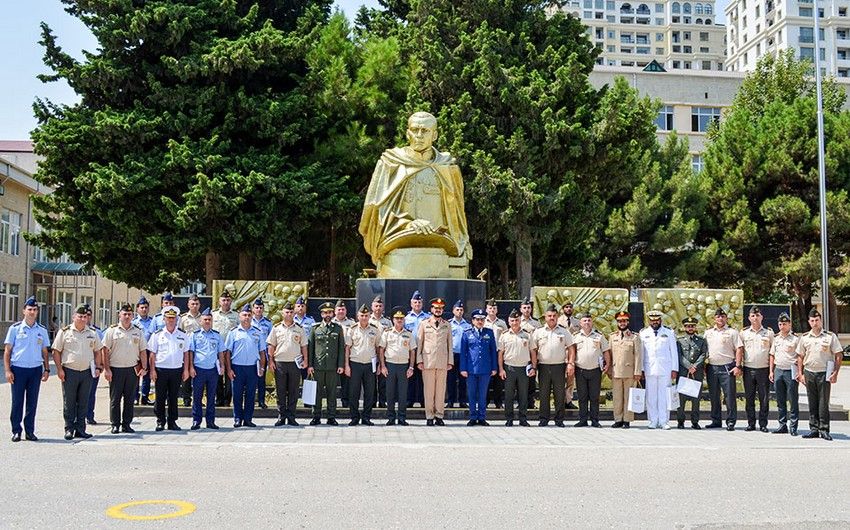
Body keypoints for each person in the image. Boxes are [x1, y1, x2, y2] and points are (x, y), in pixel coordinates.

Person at [358, 111, 472, 278]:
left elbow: (457, 218)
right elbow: (377, 212)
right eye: (414, 130)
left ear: (435, 135)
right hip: (398, 253)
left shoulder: (447, 167)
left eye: (424, 131)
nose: (419, 135)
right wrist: (406, 223)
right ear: (407, 132)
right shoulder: (390, 164)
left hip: (441, 252)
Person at [52, 304, 103, 440]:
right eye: (80, 316)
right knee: (69, 402)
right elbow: (56, 351)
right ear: (74, 317)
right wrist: (59, 369)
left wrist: (98, 367)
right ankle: (69, 428)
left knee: (83, 401)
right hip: (70, 371)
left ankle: (81, 429)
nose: (82, 319)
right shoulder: (65, 332)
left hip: (86, 372)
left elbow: (98, 352)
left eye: (85, 317)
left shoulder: (92, 333)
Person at [4, 296, 50, 442]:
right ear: (24, 311)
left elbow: (44, 351)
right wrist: (7, 370)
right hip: (18, 369)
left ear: (37, 312)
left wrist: (47, 369)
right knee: (17, 402)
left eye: (35, 310)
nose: (32, 312)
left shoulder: (41, 330)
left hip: (35, 370)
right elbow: (7, 351)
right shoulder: (15, 328)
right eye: (29, 309)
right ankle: (16, 430)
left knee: (32, 402)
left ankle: (30, 431)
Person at [796, 308, 843, 441]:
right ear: (809, 322)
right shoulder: (805, 337)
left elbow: (838, 354)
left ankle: (824, 429)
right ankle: (814, 429)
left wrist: (835, 373)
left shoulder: (829, 336)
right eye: (812, 320)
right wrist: (800, 373)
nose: (815, 323)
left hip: (824, 373)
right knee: (812, 402)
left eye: (817, 320)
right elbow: (800, 356)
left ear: (820, 321)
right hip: (809, 372)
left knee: (823, 403)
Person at [102, 303, 148, 434]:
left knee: (129, 399)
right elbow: (105, 351)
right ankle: (115, 424)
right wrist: (107, 369)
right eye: (125, 314)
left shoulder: (137, 331)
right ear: (119, 315)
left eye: (129, 314)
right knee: (115, 399)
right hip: (116, 369)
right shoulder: (112, 331)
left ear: (133, 316)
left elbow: (143, 350)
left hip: (132, 370)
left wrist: (144, 367)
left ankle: (126, 424)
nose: (127, 317)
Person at [531, 303, 575, 427]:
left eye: (554, 316)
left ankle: (559, 419)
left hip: (559, 366)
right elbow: (533, 349)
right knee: (544, 394)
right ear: (545, 317)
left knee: (559, 394)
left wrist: (570, 363)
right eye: (549, 315)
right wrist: (534, 366)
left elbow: (571, 347)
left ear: (557, 316)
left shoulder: (563, 331)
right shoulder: (538, 332)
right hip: (543, 366)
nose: (552, 318)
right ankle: (543, 419)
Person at [148, 307, 190, 431]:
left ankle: (172, 421)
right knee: (160, 397)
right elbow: (152, 354)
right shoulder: (157, 335)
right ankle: (160, 421)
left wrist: (186, 369)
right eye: (169, 318)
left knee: (173, 397)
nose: (171, 320)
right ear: (164, 319)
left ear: (177, 319)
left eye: (173, 318)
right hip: (161, 369)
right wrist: (152, 370)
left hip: (176, 370)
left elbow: (186, 353)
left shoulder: (182, 335)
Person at [224, 304, 266, 428]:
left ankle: (248, 419)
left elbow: (262, 352)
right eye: (244, 315)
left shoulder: (257, 333)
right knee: (237, 394)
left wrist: (262, 368)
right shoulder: (233, 333)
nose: (247, 317)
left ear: (252, 316)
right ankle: (237, 418)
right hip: (237, 367)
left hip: (252, 368)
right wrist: (229, 369)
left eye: (249, 315)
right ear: (239, 316)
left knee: (251, 394)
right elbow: (227, 353)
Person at [268, 302, 309, 427]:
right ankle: (281, 416)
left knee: (293, 391)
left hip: (295, 364)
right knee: (280, 391)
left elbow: (304, 346)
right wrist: (271, 361)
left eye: (291, 312)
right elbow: (271, 345)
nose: (289, 314)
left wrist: (306, 360)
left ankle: (291, 416)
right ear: (282, 313)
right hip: (280, 363)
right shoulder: (276, 328)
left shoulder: (299, 329)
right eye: (287, 312)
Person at [703, 307, 744, 431]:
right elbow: (704, 350)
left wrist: (738, 365)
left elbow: (739, 349)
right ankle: (716, 420)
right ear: (714, 318)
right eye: (718, 317)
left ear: (726, 318)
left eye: (723, 316)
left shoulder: (732, 332)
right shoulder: (708, 332)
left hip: (727, 367)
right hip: (712, 367)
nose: (720, 319)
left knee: (729, 396)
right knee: (714, 396)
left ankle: (731, 421)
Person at [417, 297, 453, 426]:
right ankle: (429, 416)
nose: (438, 310)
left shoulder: (447, 325)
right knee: (429, 391)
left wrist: (450, 361)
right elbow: (419, 343)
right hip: (428, 361)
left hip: (442, 362)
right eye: (436, 308)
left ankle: (439, 415)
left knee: (440, 391)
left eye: (440, 308)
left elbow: (450, 344)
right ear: (431, 309)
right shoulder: (424, 324)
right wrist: (419, 360)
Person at [639, 310, 678, 430]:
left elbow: (674, 351)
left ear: (660, 320)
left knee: (664, 395)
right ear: (649, 320)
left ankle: (664, 421)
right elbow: (641, 353)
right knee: (651, 396)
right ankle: (653, 420)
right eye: (652, 320)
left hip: (665, 368)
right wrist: (641, 369)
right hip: (649, 368)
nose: (654, 322)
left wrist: (674, 368)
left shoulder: (668, 333)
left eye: (657, 319)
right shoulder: (643, 333)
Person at [187, 308, 225, 430]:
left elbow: (220, 352)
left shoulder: (217, 335)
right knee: (197, 396)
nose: (207, 321)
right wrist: (191, 367)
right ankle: (196, 421)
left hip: (212, 370)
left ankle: (210, 421)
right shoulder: (195, 335)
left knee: (211, 397)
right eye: (205, 319)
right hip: (199, 369)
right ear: (200, 321)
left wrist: (222, 366)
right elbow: (191, 352)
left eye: (209, 319)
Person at [308, 302, 345, 425]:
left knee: (332, 393)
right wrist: (310, 365)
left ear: (333, 313)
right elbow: (311, 348)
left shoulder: (338, 329)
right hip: (318, 366)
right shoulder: (315, 329)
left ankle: (331, 417)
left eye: (329, 312)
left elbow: (341, 348)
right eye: (325, 312)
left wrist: (340, 365)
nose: (327, 315)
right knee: (317, 393)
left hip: (332, 366)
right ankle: (316, 416)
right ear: (321, 314)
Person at [572, 313, 610, 427]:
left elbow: (606, 351)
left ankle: (595, 420)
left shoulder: (599, 336)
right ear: (580, 323)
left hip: (595, 370)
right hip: (580, 370)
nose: (587, 322)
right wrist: (571, 364)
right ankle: (582, 419)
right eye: (584, 321)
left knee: (594, 396)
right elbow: (572, 351)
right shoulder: (576, 336)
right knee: (582, 396)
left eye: (589, 320)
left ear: (592, 322)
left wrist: (607, 364)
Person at [379, 306, 416, 425]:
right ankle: (390, 417)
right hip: (390, 365)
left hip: (403, 366)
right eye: (397, 318)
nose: (399, 320)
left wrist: (411, 367)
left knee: (402, 393)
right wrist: (383, 366)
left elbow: (412, 351)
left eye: (401, 318)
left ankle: (402, 417)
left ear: (404, 319)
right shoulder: (387, 333)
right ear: (393, 320)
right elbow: (381, 349)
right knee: (390, 393)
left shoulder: (408, 334)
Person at [460, 309, 498, 426]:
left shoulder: (489, 333)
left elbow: (493, 351)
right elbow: (463, 353)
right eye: (477, 319)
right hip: (471, 369)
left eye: (482, 319)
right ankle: (472, 417)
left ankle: (481, 417)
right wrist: (463, 368)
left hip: (485, 369)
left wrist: (494, 367)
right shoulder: (467, 333)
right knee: (471, 394)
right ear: (473, 321)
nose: (480, 321)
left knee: (482, 395)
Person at [345, 304, 381, 426]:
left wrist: (379, 364)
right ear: (357, 316)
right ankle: (354, 417)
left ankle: (366, 417)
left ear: (369, 316)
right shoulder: (352, 329)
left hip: (370, 364)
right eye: (362, 315)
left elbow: (378, 348)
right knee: (354, 392)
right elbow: (347, 348)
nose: (364, 318)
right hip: (355, 363)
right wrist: (346, 365)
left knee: (369, 392)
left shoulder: (374, 330)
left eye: (366, 315)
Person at [741, 306, 774, 432]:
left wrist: (771, 370)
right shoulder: (744, 333)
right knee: (749, 397)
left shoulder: (769, 333)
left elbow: (772, 353)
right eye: (753, 316)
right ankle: (751, 423)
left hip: (763, 369)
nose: (755, 318)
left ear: (762, 317)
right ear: (749, 318)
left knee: (764, 398)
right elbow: (740, 351)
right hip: (748, 369)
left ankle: (763, 424)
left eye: (758, 315)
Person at [498, 309, 533, 427]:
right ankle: (509, 418)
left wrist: (533, 367)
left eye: (517, 320)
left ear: (520, 321)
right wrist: (501, 369)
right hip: (509, 368)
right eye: (512, 320)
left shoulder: (527, 335)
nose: (514, 322)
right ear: (508, 321)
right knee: (508, 395)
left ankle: (523, 418)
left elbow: (532, 352)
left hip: (523, 368)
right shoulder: (504, 335)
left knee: (523, 395)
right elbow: (500, 354)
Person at [609, 311, 642, 429]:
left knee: (628, 396)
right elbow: (610, 355)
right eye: (619, 321)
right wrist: (608, 370)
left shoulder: (635, 337)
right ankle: (618, 419)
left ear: (628, 322)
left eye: (624, 321)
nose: (622, 323)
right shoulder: (612, 336)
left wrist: (638, 371)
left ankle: (627, 419)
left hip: (630, 371)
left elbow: (638, 355)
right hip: (616, 370)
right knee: (617, 397)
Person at [770, 312, 800, 435]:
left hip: (791, 370)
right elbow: (772, 355)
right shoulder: (776, 338)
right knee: (780, 400)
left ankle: (793, 426)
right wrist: (771, 371)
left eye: (785, 324)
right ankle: (782, 425)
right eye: (780, 324)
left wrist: (799, 371)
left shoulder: (795, 339)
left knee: (793, 399)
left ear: (790, 324)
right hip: (778, 370)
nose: (782, 326)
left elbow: (799, 356)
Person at [676, 316, 707, 429]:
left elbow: (704, 354)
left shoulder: (701, 341)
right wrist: (689, 366)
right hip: (684, 372)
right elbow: (679, 356)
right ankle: (680, 421)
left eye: (692, 326)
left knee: (696, 398)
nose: (690, 328)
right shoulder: (679, 341)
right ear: (684, 328)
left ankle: (695, 421)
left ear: (695, 327)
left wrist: (695, 366)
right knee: (681, 398)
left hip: (696, 372)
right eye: (688, 326)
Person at [212, 290, 238, 406]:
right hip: (216, 349)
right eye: (223, 300)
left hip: (230, 349)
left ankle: (227, 400)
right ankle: (219, 399)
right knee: (217, 374)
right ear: (219, 301)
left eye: (228, 300)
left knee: (229, 374)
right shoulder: (213, 315)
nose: (226, 302)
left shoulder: (236, 315)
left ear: (231, 301)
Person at [404, 290, 429, 408]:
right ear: (411, 303)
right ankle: (410, 399)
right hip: (409, 351)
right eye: (415, 302)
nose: (417, 304)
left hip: (424, 350)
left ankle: (424, 400)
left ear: (422, 303)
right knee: (410, 376)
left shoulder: (428, 317)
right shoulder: (406, 318)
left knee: (424, 377)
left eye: (419, 302)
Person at [180, 294, 203, 407]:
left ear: (199, 305)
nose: (194, 306)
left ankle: (198, 399)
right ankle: (186, 398)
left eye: (196, 304)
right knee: (186, 375)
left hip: (199, 350)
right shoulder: (183, 318)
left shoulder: (203, 318)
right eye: (192, 304)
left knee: (198, 375)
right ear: (188, 305)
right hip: (186, 349)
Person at [447, 299, 471, 408]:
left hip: (463, 355)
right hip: (452, 354)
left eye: (461, 310)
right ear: (453, 311)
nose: (459, 312)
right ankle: (451, 401)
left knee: (463, 379)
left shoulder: (468, 325)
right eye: (457, 309)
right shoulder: (448, 324)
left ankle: (462, 401)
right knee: (450, 379)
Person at [483, 299, 507, 409]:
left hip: (499, 353)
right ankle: (486, 401)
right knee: (486, 378)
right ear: (486, 310)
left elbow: (506, 337)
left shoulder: (502, 323)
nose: (492, 310)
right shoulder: (483, 321)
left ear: (497, 310)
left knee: (499, 379)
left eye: (494, 308)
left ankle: (498, 401)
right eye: (490, 308)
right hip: (486, 353)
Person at [369, 295, 391, 408]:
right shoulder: (367, 319)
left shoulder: (387, 322)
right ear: (372, 307)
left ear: (383, 308)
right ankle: (372, 401)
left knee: (383, 380)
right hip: (371, 354)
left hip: (384, 355)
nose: (378, 308)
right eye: (376, 305)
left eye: (380, 306)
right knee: (371, 380)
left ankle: (382, 401)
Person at [132, 296, 156, 405]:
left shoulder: (153, 321)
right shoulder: (133, 322)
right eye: (142, 307)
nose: (144, 309)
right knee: (136, 375)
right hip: (136, 351)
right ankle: (135, 396)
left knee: (147, 375)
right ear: (137, 309)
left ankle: (145, 397)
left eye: (146, 307)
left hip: (148, 351)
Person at [84, 304, 105, 426]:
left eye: (88, 315)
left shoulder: (96, 331)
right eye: (84, 315)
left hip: (92, 365)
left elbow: (101, 349)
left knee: (91, 392)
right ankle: (78, 416)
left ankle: (89, 415)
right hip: (78, 366)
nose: (86, 318)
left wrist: (100, 365)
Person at [332, 300, 355, 407]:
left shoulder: (352, 324)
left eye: (343, 309)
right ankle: (331, 403)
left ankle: (346, 402)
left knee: (347, 381)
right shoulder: (330, 323)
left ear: (346, 311)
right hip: (333, 355)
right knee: (331, 381)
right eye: (339, 309)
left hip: (347, 355)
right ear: (334, 311)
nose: (341, 311)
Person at [251, 298, 273, 410]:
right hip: (251, 354)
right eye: (256, 307)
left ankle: (261, 401)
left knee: (261, 380)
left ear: (263, 309)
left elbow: (271, 341)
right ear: (253, 309)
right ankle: (250, 401)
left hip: (262, 355)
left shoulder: (268, 323)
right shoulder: (249, 321)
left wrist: (270, 358)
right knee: (250, 379)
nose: (259, 309)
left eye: (260, 308)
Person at [557, 300, 579, 410]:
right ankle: (559, 400)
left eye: (570, 307)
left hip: (572, 354)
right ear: (563, 309)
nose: (568, 309)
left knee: (570, 379)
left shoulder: (577, 322)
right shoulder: (557, 321)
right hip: (560, 353)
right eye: (566, 307)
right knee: (560, 380)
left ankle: (568, 400)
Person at [519, 297, 540, 408]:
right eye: (524, 308)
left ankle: (530, 402)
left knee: (531, 380)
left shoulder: (536, 323)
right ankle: (521, 403)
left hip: (533, 353)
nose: (526, 310)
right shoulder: (517, 321)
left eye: (528, 308)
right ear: (521, 309)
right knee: (520, 380)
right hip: (521, 354)